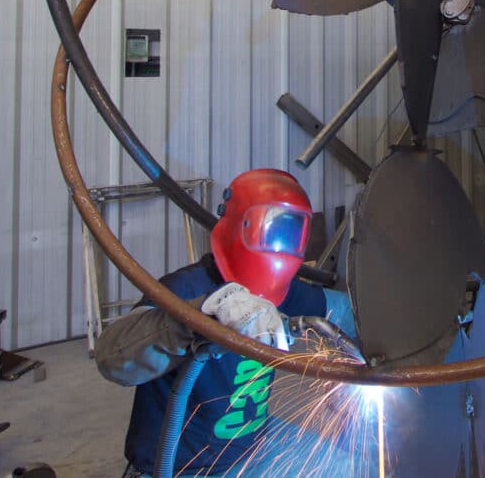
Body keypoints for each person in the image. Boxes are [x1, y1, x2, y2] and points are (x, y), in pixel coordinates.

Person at [95, 169, 357, 477]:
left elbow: (346, 314)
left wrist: (360, 359)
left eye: (292, 235)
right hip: (179, 468)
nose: (281, 246)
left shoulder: (286, 293)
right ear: (240, 224)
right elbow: (112, 358)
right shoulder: (185, 289)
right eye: (272, 231)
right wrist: (195, 319)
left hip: (253, 450)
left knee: (348, 468)